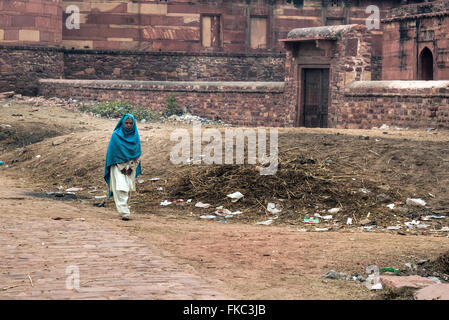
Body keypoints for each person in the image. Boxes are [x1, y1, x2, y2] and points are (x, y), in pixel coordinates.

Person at [104, 114, 142, 220]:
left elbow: (137, 153)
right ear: (122, 123)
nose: (128, 125)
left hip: (131, 167)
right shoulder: (116, 135)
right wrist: (122, 167)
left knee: (128, 189)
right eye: (126, 123)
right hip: (117, 166)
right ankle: (124, 212)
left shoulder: (135, 136)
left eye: (130, 123)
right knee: (121, 188)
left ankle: (124, 208)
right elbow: (113, 153)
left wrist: (131, 167)